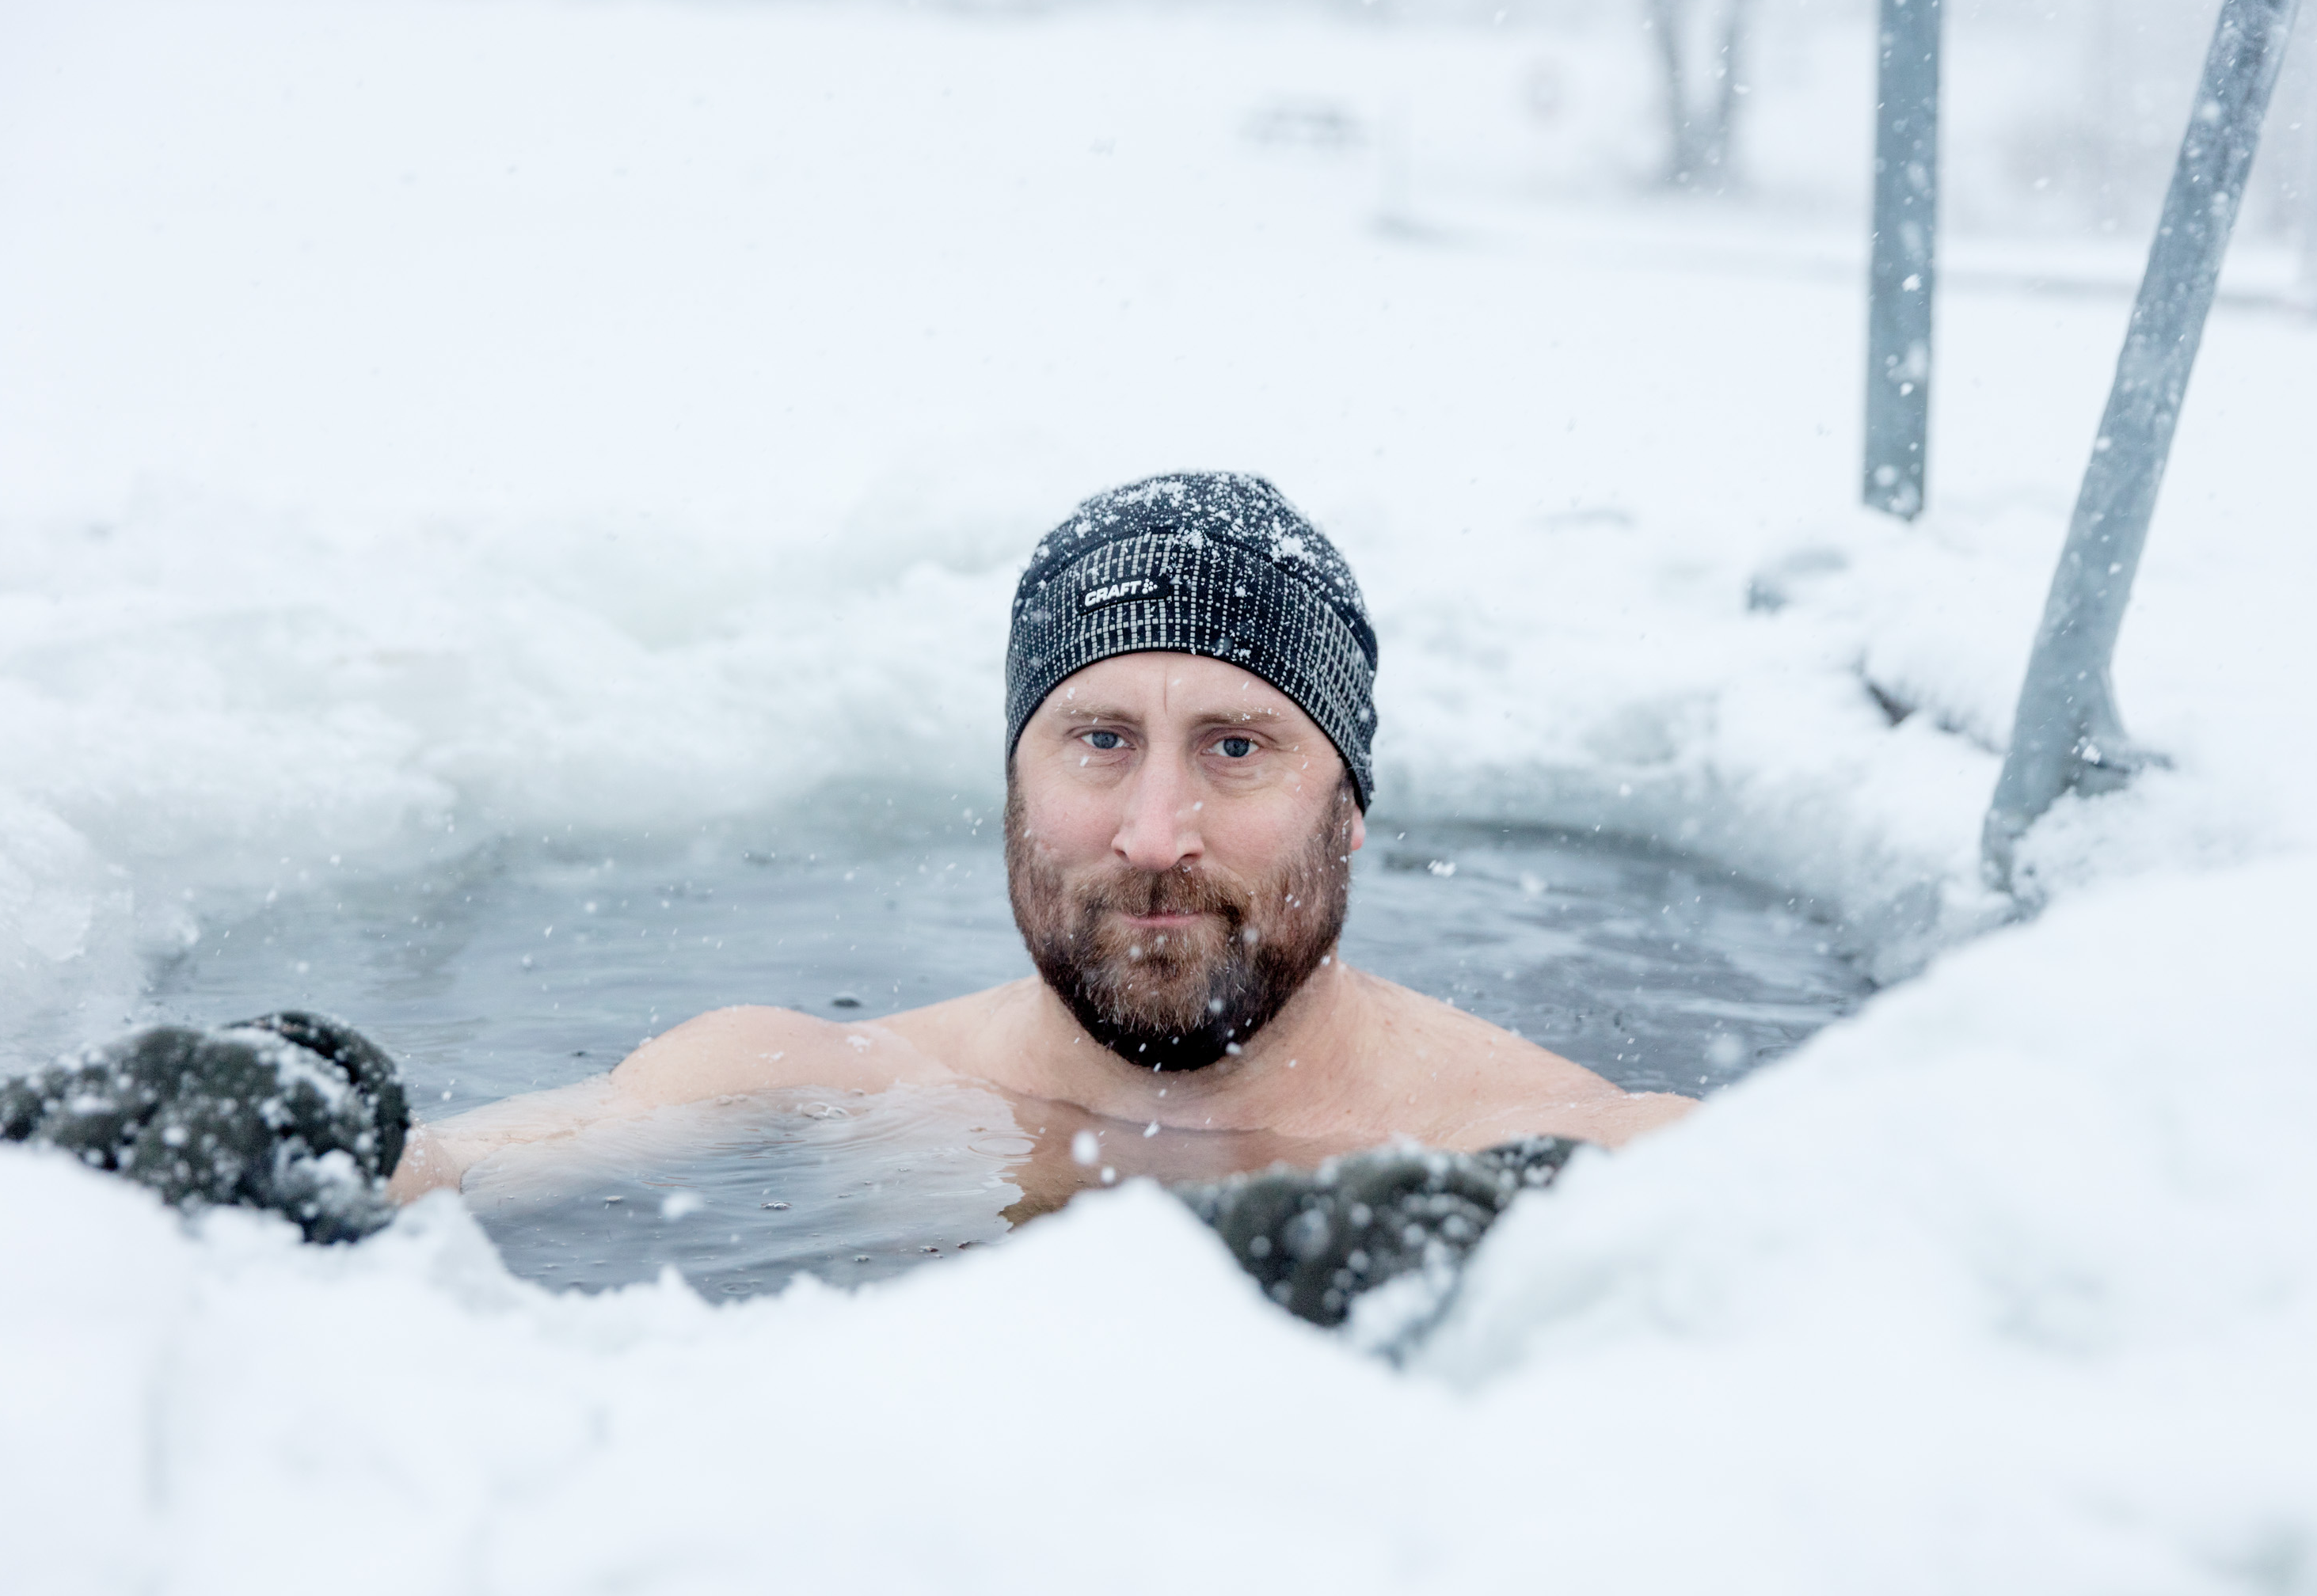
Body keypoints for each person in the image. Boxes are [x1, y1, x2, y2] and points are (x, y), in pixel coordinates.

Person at [386, 471, 1695, 1208]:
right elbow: (438, 1172)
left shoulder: (1563, 1155)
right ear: (1014, 784)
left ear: (1348, 808)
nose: (1155, 833)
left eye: (1236, 747)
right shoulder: (816, 1086)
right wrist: (314, 1132)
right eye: (1100, 740)